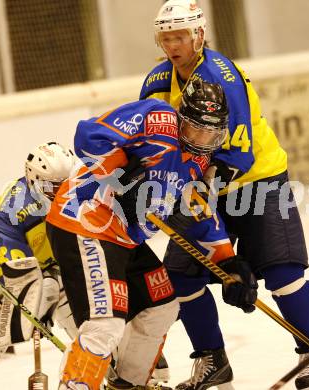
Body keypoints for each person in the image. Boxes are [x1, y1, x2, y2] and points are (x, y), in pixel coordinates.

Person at [140, 1, 309, 390]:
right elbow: (153, 137)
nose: (172, 45)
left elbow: (238, 154)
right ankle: (213, 360)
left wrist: (204, 210)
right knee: (179, 276)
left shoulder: (222, 76)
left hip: (256, 179)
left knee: (282, 271)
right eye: (166, 37)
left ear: (199, 34)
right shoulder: (158, 78)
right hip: (200, 184)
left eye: (180, 36)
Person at [45, 84, 254, 390]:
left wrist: (229, 264)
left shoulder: (197, 163)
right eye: (194, 130)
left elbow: (199, 216)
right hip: (84, 221)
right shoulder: (157, 118)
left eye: (210, 135)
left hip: (124, 240)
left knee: (162, 307)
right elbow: (88, 135)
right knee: (104, 326)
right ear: (182, 118)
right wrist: (121, 175)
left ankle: (127, 385)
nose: (199, 141)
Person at [0, 141, 77, 385]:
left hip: (46, 269)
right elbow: (18, 278)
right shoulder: (12, 212)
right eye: (54, 187)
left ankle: (116, 378)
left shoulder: (78, 193)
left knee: (90, 319)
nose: (62, 193)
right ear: (34, 181)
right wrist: (38, 301)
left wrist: (51, 284)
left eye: (66, 185)